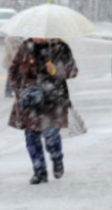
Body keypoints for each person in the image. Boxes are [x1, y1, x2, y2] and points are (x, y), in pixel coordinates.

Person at [8, 38, 78, 184]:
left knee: (51, 136)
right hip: (31, 102)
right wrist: (20, 91)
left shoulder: (60, 46)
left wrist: (56, 70)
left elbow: (72, 71)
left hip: (53, 101)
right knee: (31, 138)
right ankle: (39, 171)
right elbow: (13, 71)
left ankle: (57, 158)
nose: (39, 37)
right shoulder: (26, 47)